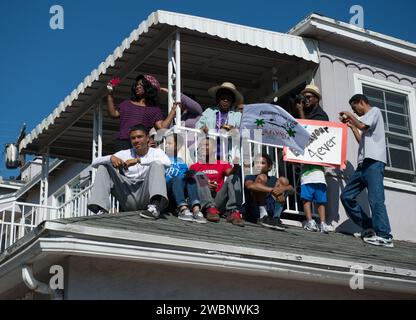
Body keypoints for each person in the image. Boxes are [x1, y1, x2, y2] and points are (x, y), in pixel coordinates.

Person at [339, 94, 393, 248]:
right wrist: (352, 126)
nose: (355, 112)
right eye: (352, 111)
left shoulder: (374, 111)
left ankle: (385, 235)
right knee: (347, 196)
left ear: (361, 102)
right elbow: (361, 139)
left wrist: (349, 116)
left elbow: (362, 126)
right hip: (362, 165)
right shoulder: (365, 121)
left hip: (374, 163)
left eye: (354, 108)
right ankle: (370, 226)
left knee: (376, 200)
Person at [87, 124, 171, 220]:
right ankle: (101, 210)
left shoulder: (156, 152)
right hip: (128, 195)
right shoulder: (124, 153)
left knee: (157, 164)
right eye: (133, 138)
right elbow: (94, 163)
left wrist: (138, 160)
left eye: (139, 137)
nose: (136, 140)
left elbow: (167, 163)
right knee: (103, 166)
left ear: (147, 138)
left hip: (146, 194)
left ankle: (155, 207)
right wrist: (111, 158)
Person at [295, 84, 331, 233]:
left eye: (309, 97)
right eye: (304, 98)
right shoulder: (309, 112)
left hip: (316, 165)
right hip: (306, 165)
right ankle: (310, 220)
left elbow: (306, 130)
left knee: (320, 197)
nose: (306, 100)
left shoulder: (320, 115)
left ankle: (321, 222)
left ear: (317, 99)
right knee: (306, 196)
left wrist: (301, 111)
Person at [107, 74, 174, 152]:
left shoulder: (155, 110)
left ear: (149, 88)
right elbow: (113, 114)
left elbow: (162, 128)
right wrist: (110, 94)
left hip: (141, 145)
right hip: (123, 142)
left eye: (141, 85)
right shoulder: (126, 104)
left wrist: (173, 111)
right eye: (137, 84)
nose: (137, 86)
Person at [190, 138, 244, 226]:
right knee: (199, 174)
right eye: (201, 146)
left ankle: (234, 212)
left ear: (214, 148)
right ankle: (209, 208)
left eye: (206, 145)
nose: (203, 147)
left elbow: (230, 173)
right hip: (203, 201)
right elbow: (190, 185)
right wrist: (205, 184)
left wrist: (236, 166)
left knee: (234, 177)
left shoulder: (222, 163)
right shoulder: (194, 166)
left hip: (218, 200)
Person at [164, 133, 206, 224]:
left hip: (179, 193)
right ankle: (183, 208)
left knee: (190, 178)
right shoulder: (162, 158)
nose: (166, 146)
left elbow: (187, 178)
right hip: (166, 193)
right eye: (166, 143)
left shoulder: (181, 162)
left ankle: (196, 208)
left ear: (177, 145)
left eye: (169, 143)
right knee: (178, 177)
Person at [244, 154, 293, 231]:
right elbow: (250, 186)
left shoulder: (273, 179)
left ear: (269, 167)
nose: (259, 165)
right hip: (255, 209)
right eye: (256, 163)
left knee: (283, 180)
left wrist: (282, 189)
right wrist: (272, 190)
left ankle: (276, 218)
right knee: (262, 177)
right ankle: (263, 215)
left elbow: (291, 188)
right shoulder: (250, 177)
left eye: (262, 163)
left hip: (270, 209)